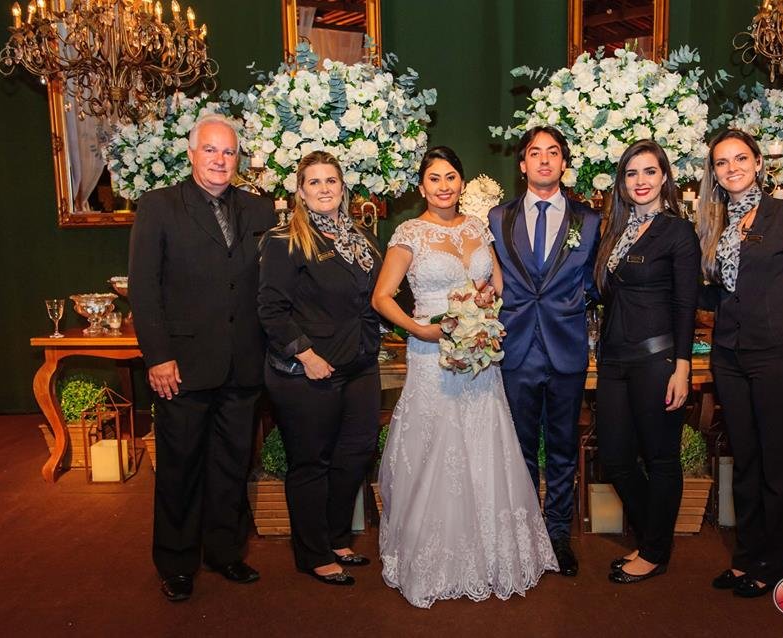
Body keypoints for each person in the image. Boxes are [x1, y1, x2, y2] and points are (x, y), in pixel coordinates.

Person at [372, 146, 558, 608]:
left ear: (461, 182)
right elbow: (382, 296)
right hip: (430, 353)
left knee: (482, 444)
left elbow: (497, 284)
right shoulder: (409, 233)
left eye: (451, 177)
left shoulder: (477, 227)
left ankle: (491, 555)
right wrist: (419, 329)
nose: (443, 186)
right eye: (434, 178)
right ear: (422, 187)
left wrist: (483, 308)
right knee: (438, 448)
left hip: (479, 354)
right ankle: (434, 560)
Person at [128, 113, 278, 602]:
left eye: (229, 152)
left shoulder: (259, 210)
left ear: (238, 159)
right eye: (210, 149)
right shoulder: (159, 206)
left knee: (232, 465)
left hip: (244, 363)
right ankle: (176, 563)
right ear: (191, 153)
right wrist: (158, 356)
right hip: (183, 366)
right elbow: (144, 288)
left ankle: (224, 552)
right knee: (179, 468)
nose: (220, 159)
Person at [696, 129, 783, 598]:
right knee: (746, 461)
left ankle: (771, 565)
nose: (731, 168)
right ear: (714, 172)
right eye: (721, 162)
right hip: (729, 357)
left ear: (757, 163)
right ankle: (744, 558)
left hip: (776, 357)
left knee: (777, 465)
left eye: (740, 159)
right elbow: (716, 292)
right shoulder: (713, 222)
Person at [258, 151, 382, 587]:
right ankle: (313, 553)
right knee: (311, 461)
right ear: (300, 191)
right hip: (309, 370)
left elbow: (379, 296)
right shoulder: (284, 240)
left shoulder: (362, 238)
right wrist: (306, 356)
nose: (324, 188)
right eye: (314, 182)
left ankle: (335, 537)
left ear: (343, 188)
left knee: (356, 453)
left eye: (331, 180)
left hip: (360, 364)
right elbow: (270, 309)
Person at [487, 126, 601, 576]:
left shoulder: (587, 220)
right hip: (516, 348)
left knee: (561, 447)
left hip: (566, 348)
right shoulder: (498, 217)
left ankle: (557, 536)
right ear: (523, 164)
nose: (545, 160)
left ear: (564, 163)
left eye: (553, 152)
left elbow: (594, 281)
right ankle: (522, 536)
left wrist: (574, 305)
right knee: (516, 449)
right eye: (535, 153)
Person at [591, 140, 700, 584]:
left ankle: (654, 551)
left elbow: (686, 305)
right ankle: (655, 537)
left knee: (660, 458)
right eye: (631, 173)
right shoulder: (615, 231)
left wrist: (682, 367)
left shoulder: (678, 232)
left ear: (664, 177)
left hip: (657, 360)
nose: (641, 181)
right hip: (614, 361)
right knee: (615, 458)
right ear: (621, 182)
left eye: (650, 171)